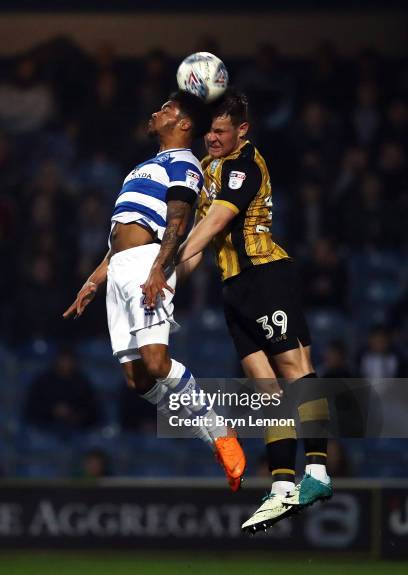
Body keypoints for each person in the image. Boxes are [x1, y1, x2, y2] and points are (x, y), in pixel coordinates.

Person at [63, 91, 246, 491]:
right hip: (122, 267)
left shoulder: (184, 163)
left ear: (183, 125)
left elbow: (178, 220)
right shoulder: (141, 168)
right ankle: (212, 439)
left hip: (150, 264)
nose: (155, 113)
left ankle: (220, 432)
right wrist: (94, 281)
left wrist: (160, 268)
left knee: (159, 363)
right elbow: (118, 239)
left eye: (166, 109)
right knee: (138, 380)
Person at [176, 90, 333, 533]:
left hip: (266, 277)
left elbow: (214, 224)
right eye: (208, 130)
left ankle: (318, 472)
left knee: (296, 369)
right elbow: (195, 245)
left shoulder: (245, 164)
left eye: (221, 131)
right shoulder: (206, 170)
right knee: (266, 391)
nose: (212, 137)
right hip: (234, 290)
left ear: (242, 130)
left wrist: (165, 263)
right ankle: (283, 486)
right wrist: (167, 286)